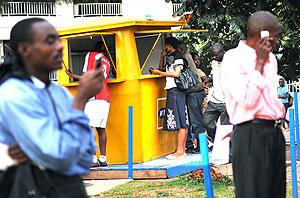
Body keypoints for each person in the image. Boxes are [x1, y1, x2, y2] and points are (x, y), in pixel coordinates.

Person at [0, 18, 104, 197]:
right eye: (50, 41)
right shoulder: (14, 94)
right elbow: (60, 156)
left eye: (58, 39)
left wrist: (37, 153)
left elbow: (85, 158)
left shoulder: (58, 93)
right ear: (25, 49)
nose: (59, 46)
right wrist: (80, 100)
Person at [221, 11, 286, 198]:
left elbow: (269, 99)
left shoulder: (271, 59)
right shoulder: (234, 58)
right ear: (263, 34)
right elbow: (246, 100)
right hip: (251, 134)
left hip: (273, 132)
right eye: (275, 35)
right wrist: (258, 64)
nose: (277, 40)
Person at [66, 41, 111, 167]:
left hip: (95, 96)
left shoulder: (91, 55)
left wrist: (71, 75)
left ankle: (92, 159)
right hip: (105, 97)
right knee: (101, 129)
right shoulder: (107, 61)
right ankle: (103, 158)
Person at [151, 37, 189, 159]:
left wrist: (159, 73)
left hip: (176, 90)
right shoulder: (171, 56)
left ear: (169, 45)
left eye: (166, 46)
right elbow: (162, 69)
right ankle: (181, 151)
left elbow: (176, 74)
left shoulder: (178, 57)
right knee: (181, 120)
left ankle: (180, 152)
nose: (165, 49)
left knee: (180, 121)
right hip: (173, 90)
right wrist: (162, 58)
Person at [177, 41, 206, 153]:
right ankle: (197, 145)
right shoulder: (186, 56)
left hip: (194, 91)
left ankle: (201, 147)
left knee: (195, 121)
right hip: (194, 92)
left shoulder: (184, 58)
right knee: (194, 120)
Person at [203, 43, 230, 142]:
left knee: (225, 126)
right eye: (213, 54)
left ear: (223, 52)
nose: (215, 57)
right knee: (206, 122)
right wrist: (209, 80)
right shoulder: (214, 62)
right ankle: (217, 140)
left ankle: (226, 147)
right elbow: (216, 75)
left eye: (217, 54)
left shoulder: (230, 62)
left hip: (226, 101)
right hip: (214, 99)